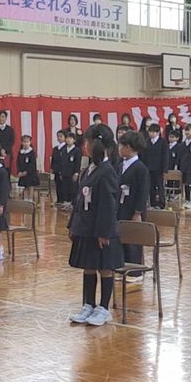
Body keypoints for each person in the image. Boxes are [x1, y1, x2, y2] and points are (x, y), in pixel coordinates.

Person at [67, 128, 123, 327]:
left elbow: (109, 205)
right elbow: (79, 199)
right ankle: (88, 305)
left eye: (87, 142)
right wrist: (72, 225)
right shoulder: (88, 169)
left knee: (105, 268)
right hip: (85, 228)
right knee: (89, 267)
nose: (85, 146)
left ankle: (103, 308)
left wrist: (104, 232)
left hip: (101, 230)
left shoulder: (107, 171)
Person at [116, 130, 150, 285]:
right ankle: (121, 265)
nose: (119, 148)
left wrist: (138, 212)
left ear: (128, 147)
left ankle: (136, 271)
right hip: (120, 206)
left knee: (133, 240)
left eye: (121, 145)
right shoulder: (120, 165)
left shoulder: (140, 168)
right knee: (121, 237)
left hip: (133, 208)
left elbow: (143, 192)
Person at [141, 123, 168, 208]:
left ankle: (161, 203)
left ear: (158, 132)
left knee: (160, 186)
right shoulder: (147, 141)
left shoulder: (163, 141)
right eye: (150, 132)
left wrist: (165, 169)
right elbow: (143, 155)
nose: (151, 134)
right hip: (149, 167)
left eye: (153, 132)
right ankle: (152, 203)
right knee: (150, 186)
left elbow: (165, 155)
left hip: (159, 168)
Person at [15, 135, 40, 199]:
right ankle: (25, 201)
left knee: (30, 186)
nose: (26, 143)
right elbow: (18, 163)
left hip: (31, 173)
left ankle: (30, 200)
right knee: (25, 187)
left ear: (30, 142)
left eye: (27, 142)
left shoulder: (32, 153)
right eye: (24, 142)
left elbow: (32, 164)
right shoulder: (20, 152)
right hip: (22, 173)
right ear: (22, 142)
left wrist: (26, 172)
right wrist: (20, 171)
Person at [62, 131, 81, 210]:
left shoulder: (77, 150)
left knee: (73, 189)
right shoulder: (63, 149)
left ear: (74, 140)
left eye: (70, 138)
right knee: (65, 188)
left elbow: (78, 162)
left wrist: (76, 173)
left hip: (73, 173)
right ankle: (66, 203)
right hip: (64, 173)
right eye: (67, 138)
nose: (68, 140)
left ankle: (73, 204)